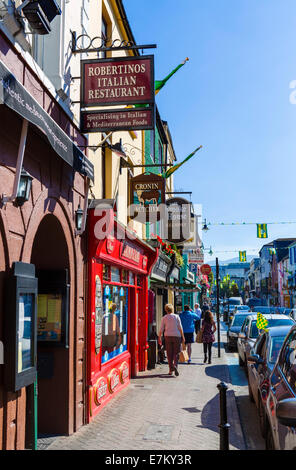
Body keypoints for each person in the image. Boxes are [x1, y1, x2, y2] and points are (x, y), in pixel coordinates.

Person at [158, 304, 185, 376]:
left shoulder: (164, 318)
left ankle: (170, 370)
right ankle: (175, 365)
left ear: (166, 310)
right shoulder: (176, 317)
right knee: (176, 353)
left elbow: (161, 329)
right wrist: (183, 336)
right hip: (177, 336)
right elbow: (180, 327)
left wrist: (159, 337)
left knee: (169, 353)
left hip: (167, 336)